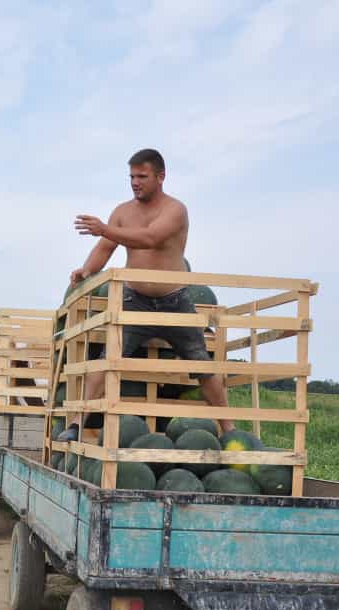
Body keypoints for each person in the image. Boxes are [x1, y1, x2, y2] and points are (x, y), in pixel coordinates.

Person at [59, 149, 233, 441]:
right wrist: (86, 270)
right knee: (108, 358)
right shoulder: (122, 212)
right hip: (134, 300)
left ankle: (229, 428)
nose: (135, 182)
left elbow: (150, 238)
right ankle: (78, 423)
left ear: (160, 177)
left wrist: (104, 228)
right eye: (131, 177)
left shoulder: (175, 210)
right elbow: (105, 248)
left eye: (142, 176)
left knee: (201, 363)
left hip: (174, 301)